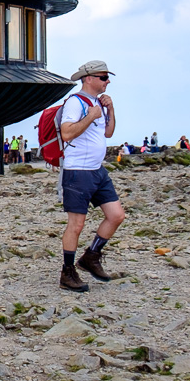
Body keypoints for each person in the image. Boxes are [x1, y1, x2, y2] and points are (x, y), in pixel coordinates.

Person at [57, 60, 126, 293]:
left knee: (116, 215)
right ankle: (67, 272)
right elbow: (67, 133)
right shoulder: (76, 103)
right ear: (88, 78)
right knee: (76, 224)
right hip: (78, 171)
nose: (107, 81)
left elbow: (108, 132)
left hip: (97, 170)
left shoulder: (97, 102)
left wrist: (109, 110)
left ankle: (91, 256)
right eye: (103, 77)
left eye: (107, 78)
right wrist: (91, 115)